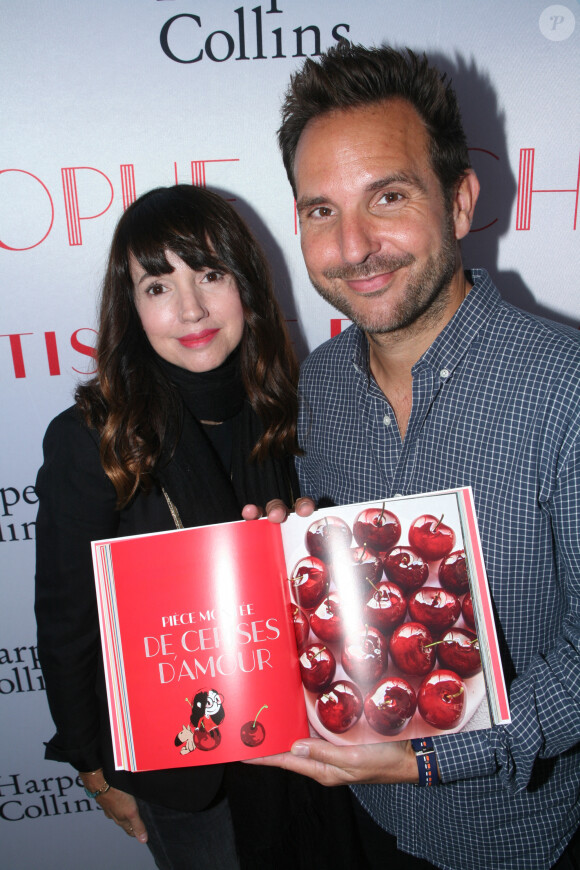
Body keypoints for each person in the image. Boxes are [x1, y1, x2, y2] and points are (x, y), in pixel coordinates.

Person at [248, 44, 580, 870]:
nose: (354, 245)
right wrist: (296, 560)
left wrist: (435, 755)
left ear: (461, 202)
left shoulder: (565, 389)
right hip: (364, 815)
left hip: (520, 840)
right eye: (321, 210)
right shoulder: (320, 381)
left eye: (387, 197)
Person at [34, 184, 361, 870]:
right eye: (158, 285)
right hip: (183, 769)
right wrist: (93, 766)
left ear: (245, 283)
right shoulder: (93, 438)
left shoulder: (302, 410)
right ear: (132, 308)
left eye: (210, 275)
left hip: (310, 744)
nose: (190, 309)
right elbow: (67, 619)